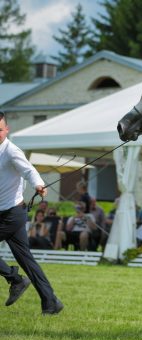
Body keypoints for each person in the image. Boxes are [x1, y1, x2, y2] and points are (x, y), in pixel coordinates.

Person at [0, 111, 63, 314]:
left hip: (12, 213)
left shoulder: (11, 151)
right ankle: (51, 302)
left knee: (25, 261)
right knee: (27, 260)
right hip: (7, 213)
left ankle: (15, 280)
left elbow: (29, 170)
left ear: (7, 129)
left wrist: (38, 184)